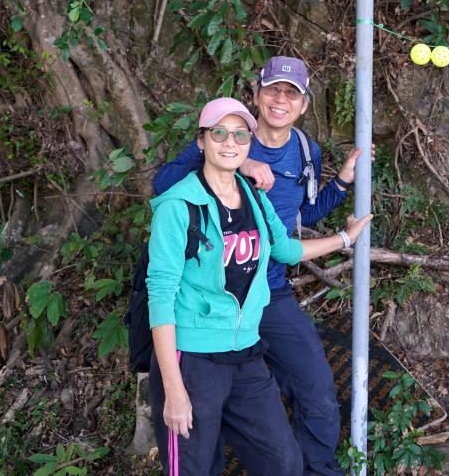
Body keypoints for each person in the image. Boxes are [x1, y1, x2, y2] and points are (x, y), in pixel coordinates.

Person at [154, 56, 362, 476]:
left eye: (292, 93)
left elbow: (293, 230)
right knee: (200, 444)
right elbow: (164, 189)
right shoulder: (203, 167)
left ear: (304, 104)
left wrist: (341, 190)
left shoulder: (302, 154)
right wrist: (238, 162)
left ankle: (318, 469)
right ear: (258, 94)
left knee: (313, 393)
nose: (280, 100)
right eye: (273, 90)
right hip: (203, 322)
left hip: (265, 299)